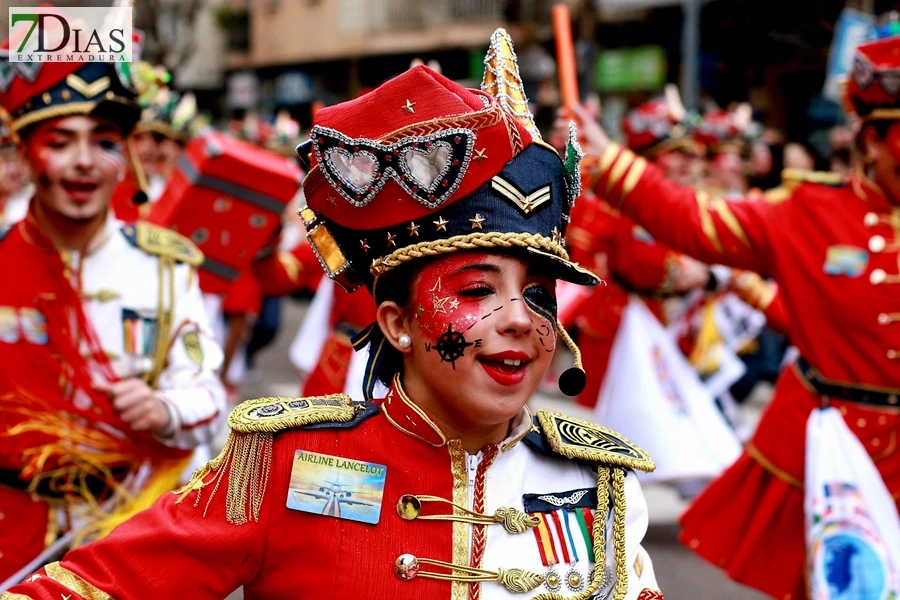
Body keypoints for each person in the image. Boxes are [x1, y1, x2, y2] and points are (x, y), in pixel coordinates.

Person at [2, 30, 664, 600]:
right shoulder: (284, 468)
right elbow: (102, 584)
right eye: (475, 292)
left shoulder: (598, 489)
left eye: (541, 294)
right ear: (397, 323)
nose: (521, 319)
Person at [563, 32, 900, 600]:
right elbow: (693, 220)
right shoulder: (808, 213)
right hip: (837, 457)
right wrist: (608, 160)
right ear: (872, 138)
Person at [0, 44, 226, 584]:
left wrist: (163, 409)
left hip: (121, 527)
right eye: (60, 142)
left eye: (104, 142)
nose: (84, 162)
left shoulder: (164, 269)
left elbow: (211, 402)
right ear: (27, 153)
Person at [567, 96, 712, 408]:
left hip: (674, 327)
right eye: (675, 154)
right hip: (617, 327)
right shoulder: (614, 203)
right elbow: (627, 262)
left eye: (690, 154)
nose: (688, 162)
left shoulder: (693, 201)